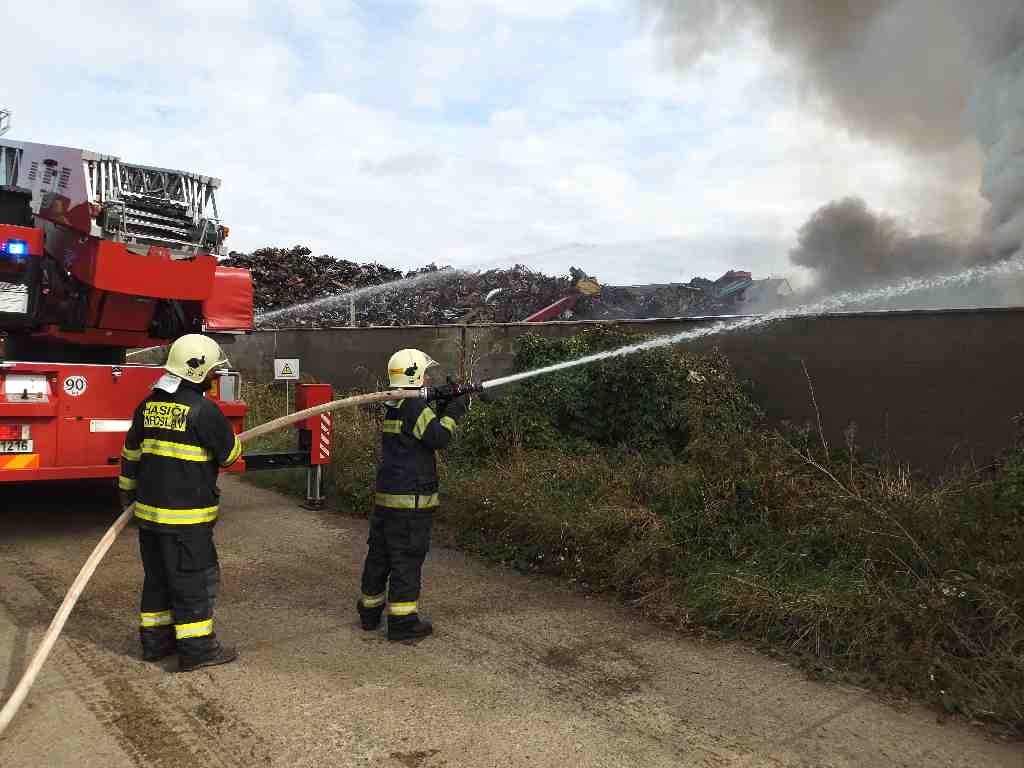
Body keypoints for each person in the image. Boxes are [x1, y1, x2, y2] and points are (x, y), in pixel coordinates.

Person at [119, 333, 243, 671]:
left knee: (157, 579)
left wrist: (127, 493)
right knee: (192, 584)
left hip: (149, 518)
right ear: (200, 371)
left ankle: (155, 644)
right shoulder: (204, 411)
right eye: (213, 371)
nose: (216, 376)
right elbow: (230, 456)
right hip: (187, 522)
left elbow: (130, 455)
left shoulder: (148, 406)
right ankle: (197, 651)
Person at [357, 348, 468, 641]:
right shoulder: (415, 408)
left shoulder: (394, 404)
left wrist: (440, 400)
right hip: (411, 502)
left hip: (388, 500)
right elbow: (438, 437)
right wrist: (455, 409)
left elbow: (418, 433)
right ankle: (403, 623)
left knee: (379, 557)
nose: (428, 377)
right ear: (415, 375)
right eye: (425, 373)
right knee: (406, 559)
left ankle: (369, 613)